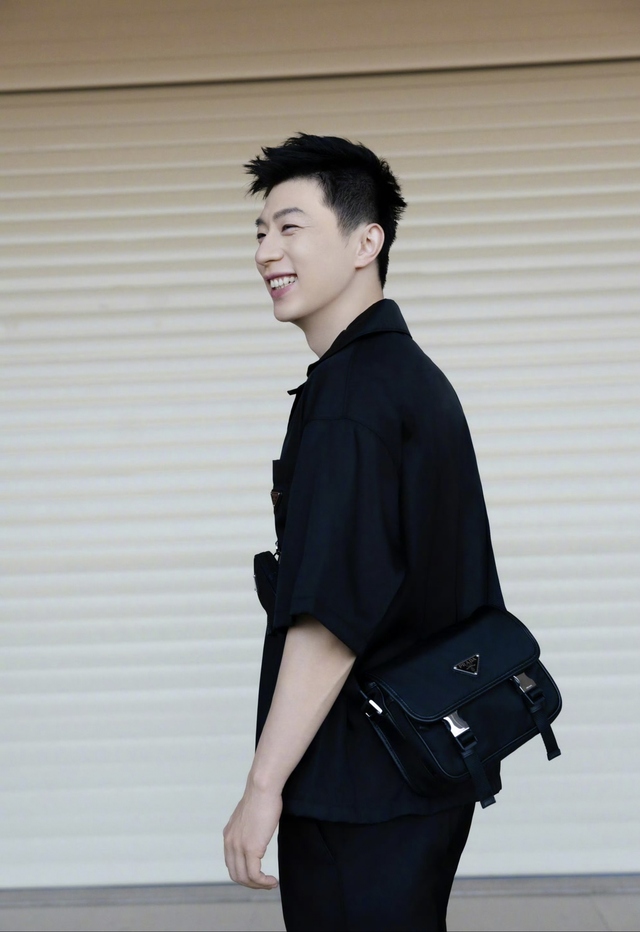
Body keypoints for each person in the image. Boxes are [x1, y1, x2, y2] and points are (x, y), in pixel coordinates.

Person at [223, 133, 505, 932]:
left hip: (361, 790)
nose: (266, 251)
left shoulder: (352, 400)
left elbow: (331, 618)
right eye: (260, 232)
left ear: (365, 242)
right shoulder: (408, 379)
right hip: (418, 775)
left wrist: (262, 787)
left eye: (290, 226)